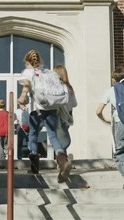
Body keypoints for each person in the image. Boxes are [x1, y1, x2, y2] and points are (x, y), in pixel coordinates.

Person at [17, 49, 72, 183]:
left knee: (33, 134)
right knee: (52, 134)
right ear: (40, 60)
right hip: (52, 107)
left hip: (37, 109)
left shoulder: (29, 72)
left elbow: (26, 85)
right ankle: (62, 159)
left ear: (27, 62)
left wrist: (22, 97)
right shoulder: (49, 73)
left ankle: (35, 164)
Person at [95, 67, 124, 189]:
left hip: (121, 122)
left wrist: (105, 120)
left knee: (120, 151)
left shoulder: (111, 90)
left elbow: (98, 111)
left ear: (113, 80)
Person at [54, 64, 77, 151]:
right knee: (62, 138)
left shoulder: (58, 87)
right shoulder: (69, 87)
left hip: (59, 115)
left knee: (61, 140)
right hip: (68, 115)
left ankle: (61, 161)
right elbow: (74, 104)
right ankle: (63, 160)